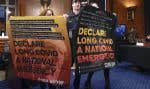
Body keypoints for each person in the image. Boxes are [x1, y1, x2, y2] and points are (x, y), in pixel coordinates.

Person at [64, 0, 95, 89]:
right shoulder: (67, 16)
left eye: (78, 2)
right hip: (69, 46)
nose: (77, 4)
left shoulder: (85, 16)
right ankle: (63, 83)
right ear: (72, 4)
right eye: (75, 2)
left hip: (81, 46)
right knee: (66, 66)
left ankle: (76, 84)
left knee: (79, 67)